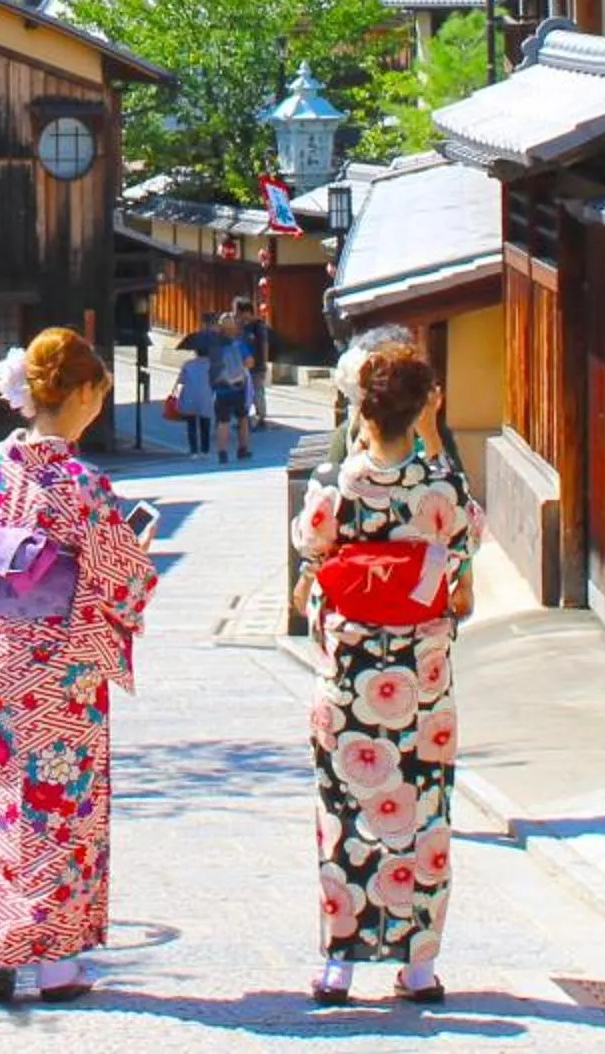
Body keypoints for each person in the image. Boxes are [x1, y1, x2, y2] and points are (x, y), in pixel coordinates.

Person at [0, 331, 160, 1005]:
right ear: (82, 392)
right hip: (60, 662)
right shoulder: (82, 483)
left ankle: (3, 950)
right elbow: (124, 582)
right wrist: (138, 552)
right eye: (98, 394)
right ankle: (56, 964)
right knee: (61, 805)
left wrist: (2, 555)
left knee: (6, 799)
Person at [291, 331, 482, 1007]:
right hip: (420, 678)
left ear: (361, 409)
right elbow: (466, 541)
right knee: (423, 812)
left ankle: (338, 965)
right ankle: (419, 966)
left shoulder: (335, 485)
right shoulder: (442, 486)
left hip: (349, 673)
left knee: (345, 812)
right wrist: (430, 436)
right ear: (422, 406)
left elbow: (310, 547)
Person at [201, 309, 254, 463]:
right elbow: (249, 362)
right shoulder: (239, 344)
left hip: (221, 388)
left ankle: (222, 453)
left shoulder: (214, 346)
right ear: (234, 328)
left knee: (223, 422)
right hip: (238, 387)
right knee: (242, 419)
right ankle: (243, 449)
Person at [172, 344, 216, 457]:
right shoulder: (213, 365)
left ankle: (194, 450)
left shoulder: (188, 364)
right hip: (206, 397)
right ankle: (205, 450)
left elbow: (181, 380)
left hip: (190, 396)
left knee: (191, 424)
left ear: (196, 351)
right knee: (205, 425)